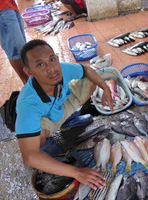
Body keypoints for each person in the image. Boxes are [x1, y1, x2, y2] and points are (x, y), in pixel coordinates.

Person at [15, 39, 114, 190]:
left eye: (52, 59)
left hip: (62, 105)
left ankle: (68, 121)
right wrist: (76, 172)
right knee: (39, 137)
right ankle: (46, 149)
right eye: (40, 64)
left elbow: (86, 69)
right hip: (46, 118)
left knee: (89, 82)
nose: (51, 69)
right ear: (29, 72)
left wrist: (105, 87)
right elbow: (29, 156)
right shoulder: (27, 103)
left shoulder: (61, 69)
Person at [0, 0, 29, 84]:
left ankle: (31, 84)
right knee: (16, 51)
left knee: (22, 49)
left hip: (8, 5)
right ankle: (29, 85)